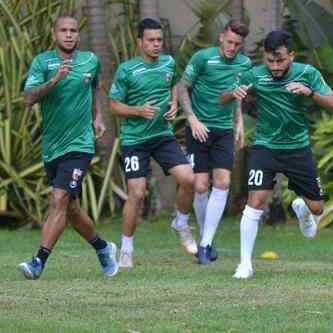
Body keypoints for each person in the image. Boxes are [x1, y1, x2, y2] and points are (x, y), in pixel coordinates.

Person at [219, 29, 333, 279]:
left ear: (292, 56)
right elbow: (222, 98)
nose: (275, 66)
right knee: (255, 201)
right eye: (270, 60)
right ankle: (245, 264)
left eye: (281, 60)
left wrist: (310, 93)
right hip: (266, 147)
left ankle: (303, 209)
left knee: (318, 208)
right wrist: (234, 93)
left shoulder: (308, 73)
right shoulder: (255, 74)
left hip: (298, 149)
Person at [17, 15, 118, 279]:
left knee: (59, 199)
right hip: (52, 146)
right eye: (64, 30)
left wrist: (97, 117)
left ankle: (38, 261)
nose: (69, 35)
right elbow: (28, 98)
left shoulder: (90, 61)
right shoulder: (43, 62)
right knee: (70, 208)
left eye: (73, 30)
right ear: (54, 34)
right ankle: (103, 248)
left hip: (80, 144)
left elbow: (95, 87)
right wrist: (55, 80)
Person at [108, 18, 195, 268]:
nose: (157, 44)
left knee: (189, 179)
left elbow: (174, 85)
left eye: (159, 40)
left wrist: (174, 104)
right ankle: (126, 249)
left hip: (162, 136)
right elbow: (113, 105)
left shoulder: (168, 63)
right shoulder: (126, 70)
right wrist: (137, 110)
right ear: (140, 42)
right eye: (151, 40)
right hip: (134, 141)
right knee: (137, 193)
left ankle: (180, 222)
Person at [177, 20, 252, 264]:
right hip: (199, 129)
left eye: (237, 44)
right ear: (221, 37)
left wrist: (239, 121)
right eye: (229, 42)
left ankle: (206, 244)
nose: (232, 48)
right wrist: (192, 119)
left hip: (223, 130)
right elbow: (182, 88)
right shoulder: (202, 58)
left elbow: (237, 93)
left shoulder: (244, 63)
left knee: (222, 182)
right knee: (200, 186)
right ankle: (203, 237)